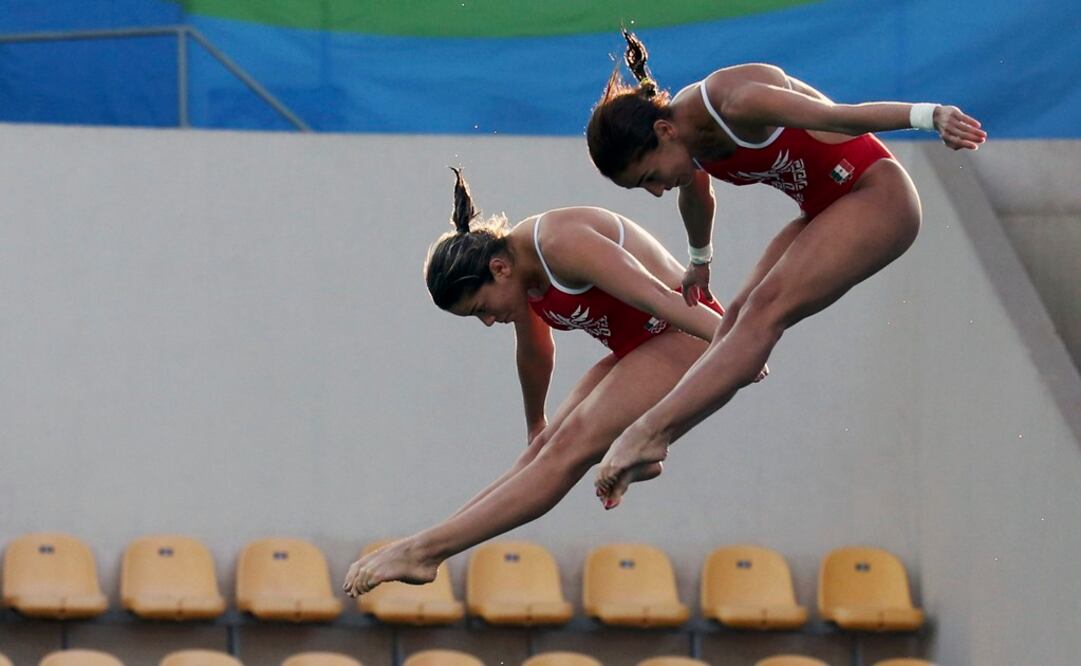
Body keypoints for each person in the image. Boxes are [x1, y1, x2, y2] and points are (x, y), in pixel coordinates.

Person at [587, 30, 987, 507]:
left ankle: (648, 431)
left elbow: (839, 118)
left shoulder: (733, 103)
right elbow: (696, 193)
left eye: (649, 177)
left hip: (876, 195)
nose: (656, 191)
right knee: (732, 321)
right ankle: (654, 444)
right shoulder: (685, 143)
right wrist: (700, 262)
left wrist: (929, 115)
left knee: (763, 312)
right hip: (822, 208)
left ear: (664, 132)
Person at [342, 168, 763, 597]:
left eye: (481, 309)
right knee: (543, 454)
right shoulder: (522, 279)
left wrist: (736, 343)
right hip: (640, 346)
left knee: (568, 450)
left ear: (499, 268)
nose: (489, 321)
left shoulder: (559, 245)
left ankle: (426, 551)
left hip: (685, 330)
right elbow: (536, 353)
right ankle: (429, 545)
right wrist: (535, 425)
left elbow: (657, 297)